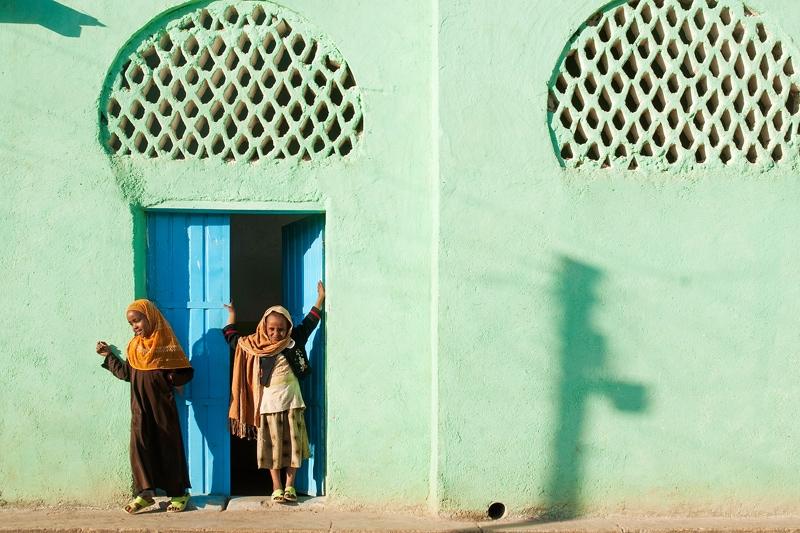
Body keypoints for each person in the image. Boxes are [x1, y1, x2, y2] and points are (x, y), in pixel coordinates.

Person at [223, 281, 325, 503]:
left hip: (293, 402)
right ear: (264, 327)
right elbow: (232, 338)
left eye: (281, 329)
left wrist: (320, 299)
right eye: (272, 329)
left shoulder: (294, 340)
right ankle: (276, 487)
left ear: (288, 327)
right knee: (272, 447)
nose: (276, 333)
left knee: (294, 445)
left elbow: (310, 323)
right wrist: (232, 315)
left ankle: (290, 486)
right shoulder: (255, 345)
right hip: (268, 405)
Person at [96, 299, 194, 513]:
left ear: (150, 317)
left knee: (168, 447)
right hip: (139, 407)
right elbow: (126, 374)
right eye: (131, 324)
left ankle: (178, 493)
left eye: (137, 321)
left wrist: (170, 377)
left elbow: (186, 371)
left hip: (162, 408)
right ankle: (145, 494)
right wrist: (109, 356)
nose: (135, 326)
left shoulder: (166, 344)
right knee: (139, 447)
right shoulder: (134, 347)